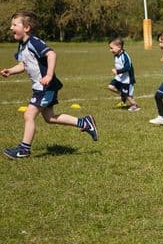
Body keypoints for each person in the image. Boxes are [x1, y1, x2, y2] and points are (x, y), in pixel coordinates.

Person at [1, 11, 98, 159]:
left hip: (45, 87)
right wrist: (11, 71)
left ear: (26, 28)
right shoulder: (22, 46)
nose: (10, 27)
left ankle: (24, 149)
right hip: (41, 87)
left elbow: (51, 54)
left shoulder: (34, 42)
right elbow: (24, 64)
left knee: (29, 115)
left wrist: (49, 75)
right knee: (49, 117)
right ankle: (84, 122)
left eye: (14, 24)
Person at [107, 37, 140, 111]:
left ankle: (135, 105)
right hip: (119, 78)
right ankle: (123, 97)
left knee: (128, 95)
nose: (110, 50)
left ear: (119, 47)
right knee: (111, 86)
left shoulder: (125, 56)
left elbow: (128, 67)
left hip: (127, 80)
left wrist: (118, 71)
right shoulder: (116, 54)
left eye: (111, 48)